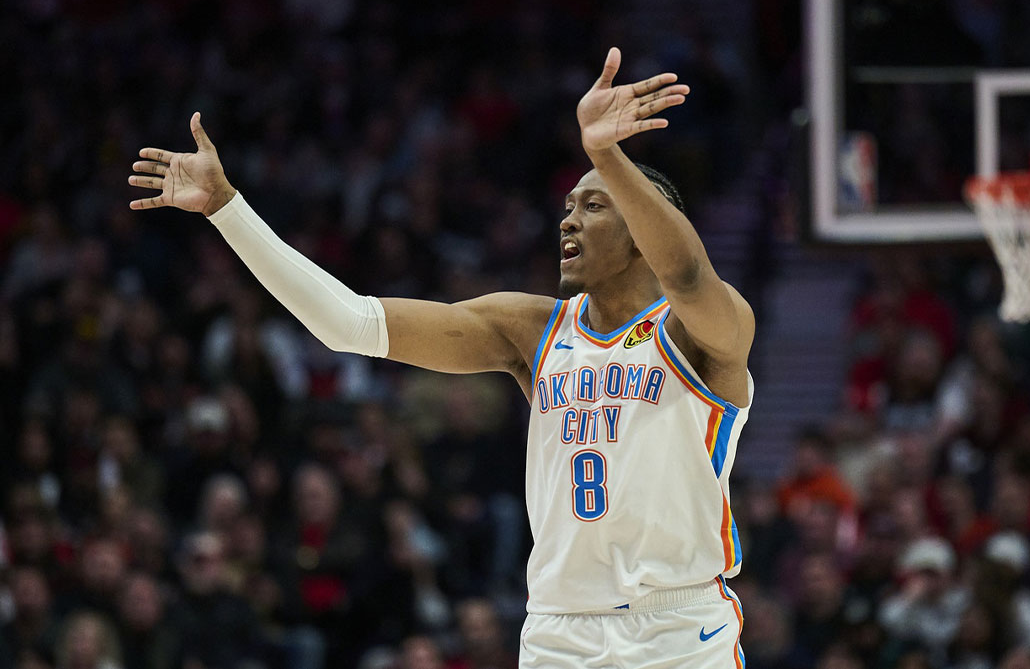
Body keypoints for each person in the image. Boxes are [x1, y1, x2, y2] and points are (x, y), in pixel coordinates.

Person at [128, 47, 755, 669]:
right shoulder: (532, 329)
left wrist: (606, 156)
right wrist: (226, 209)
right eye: (566, 207)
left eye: (593, 206)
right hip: (562, 629)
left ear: (647, 229)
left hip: (679, 627)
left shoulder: (703, 330)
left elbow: (689, 274)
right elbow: (349, 324)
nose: (567, 222)